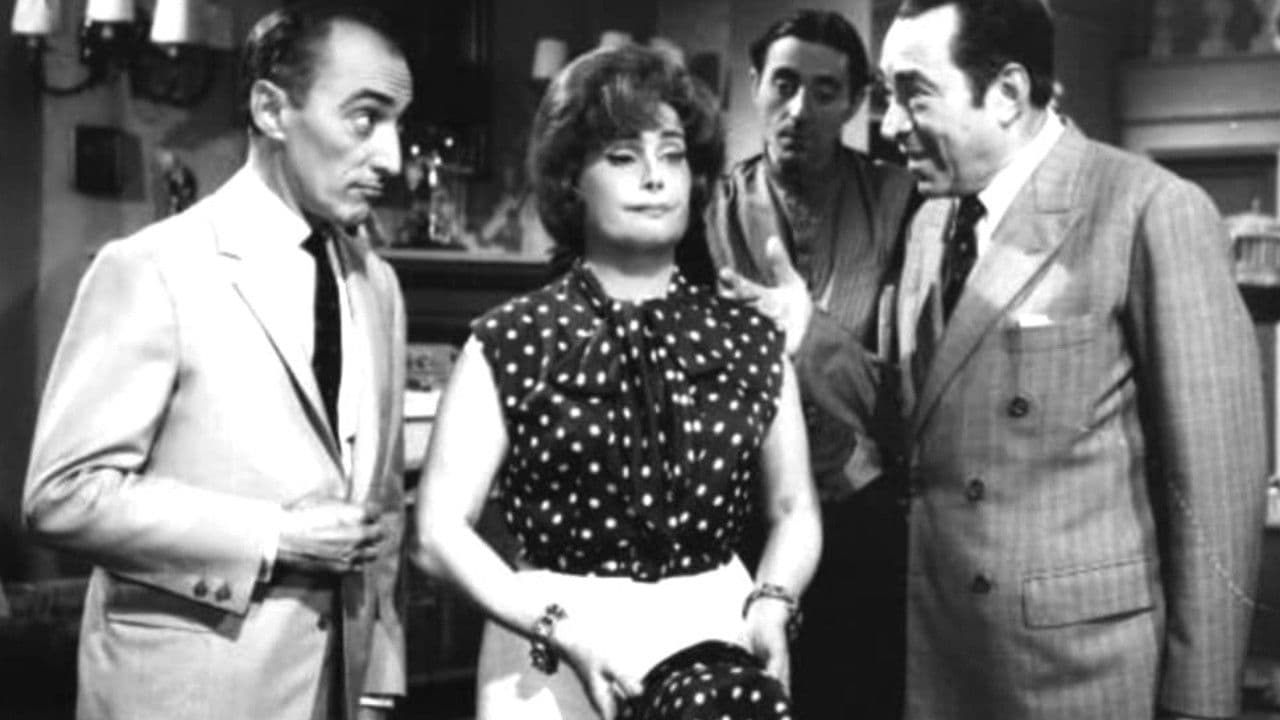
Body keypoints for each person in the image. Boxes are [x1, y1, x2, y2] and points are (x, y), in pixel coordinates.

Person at [727, 0, 1269, 718]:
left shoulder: (1147, 209)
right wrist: (810, 335)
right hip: (940, 664)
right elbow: (911, 418)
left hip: (1079, 680)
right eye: (887, 96)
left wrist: (1198, 708)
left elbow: (1217, 493)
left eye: (915, 95)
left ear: (1009, 93)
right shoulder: (931, 223)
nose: (889, 126)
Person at [23, 4, 413, 718]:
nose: (391, 157)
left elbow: (381, 509)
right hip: (186, 695)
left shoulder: (376, 282)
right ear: (271, 109)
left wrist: (376, 682)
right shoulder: (154, 267)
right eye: (365, 119)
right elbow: (63, 496)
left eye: (398, 124)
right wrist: (274, 536)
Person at [412, 45, 821, 720]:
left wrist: (774, 602)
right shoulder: (511, 339)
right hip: (547, 649)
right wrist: (558, 628)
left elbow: (794, 508)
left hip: (718, 639)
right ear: (572, 180)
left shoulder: (750, 338)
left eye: (673, 155)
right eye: (623, 157)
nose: (655, 178)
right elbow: (436, 533)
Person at [707, 10, 917, 719]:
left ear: (855, 102)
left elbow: (913, 396)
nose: (799, 109)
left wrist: (812, 334)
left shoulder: (902, 204)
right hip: (743, 524)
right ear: (755, 85)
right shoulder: (708, 210)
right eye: (784, 83)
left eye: (825, 91)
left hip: (865, 518)